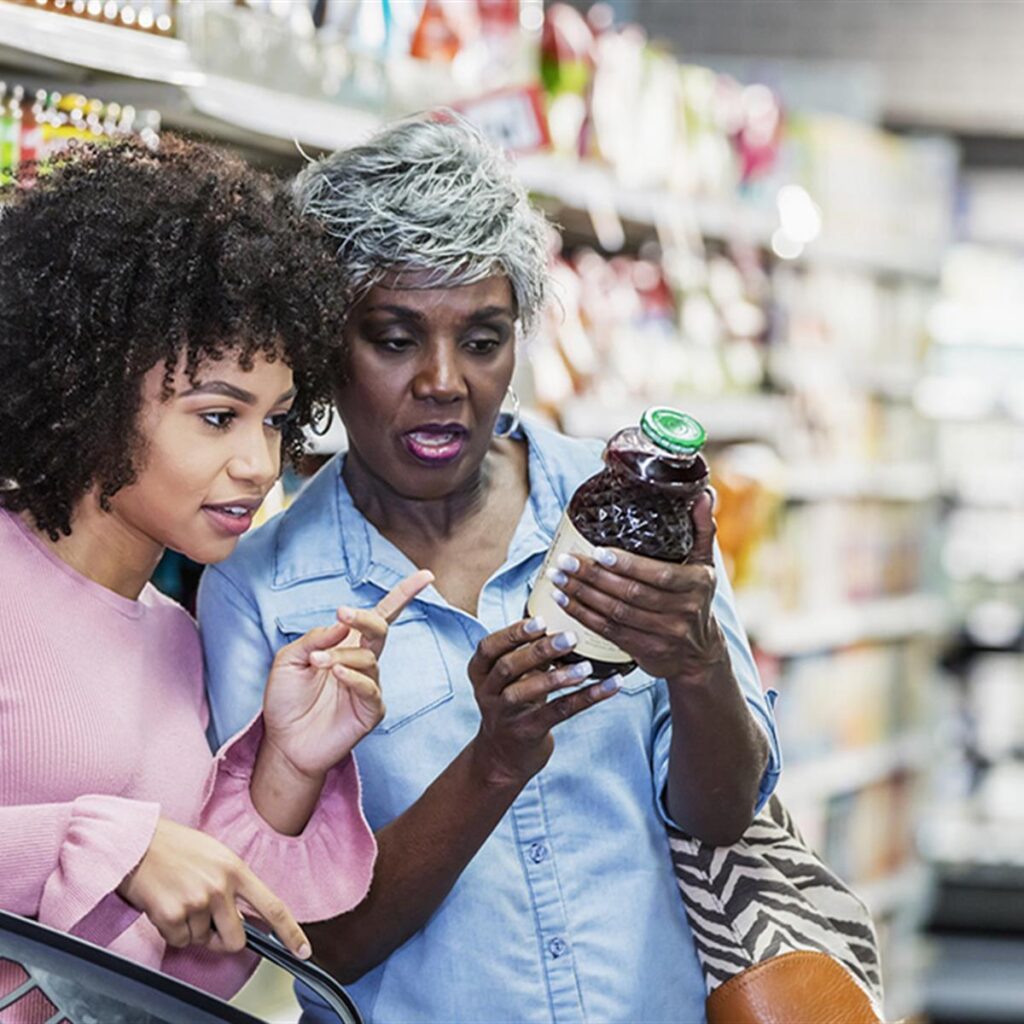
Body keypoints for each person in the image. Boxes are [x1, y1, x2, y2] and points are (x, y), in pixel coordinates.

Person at [199, 116, 782, 1024]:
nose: (443, 380)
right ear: (322, 346)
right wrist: (495, 760)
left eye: (482, 339)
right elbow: (314, 943)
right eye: (393, 338)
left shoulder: (625, 518)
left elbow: (723, 815)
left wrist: (700, 666)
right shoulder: (264, 594)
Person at [0, 136, 430, 1010]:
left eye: (274, 420)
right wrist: (109, 846)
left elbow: (199, 959)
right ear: (91, 391)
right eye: (217, 416)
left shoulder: (176, 636)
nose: (258, 464)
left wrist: (290, 767)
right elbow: (126, 858)